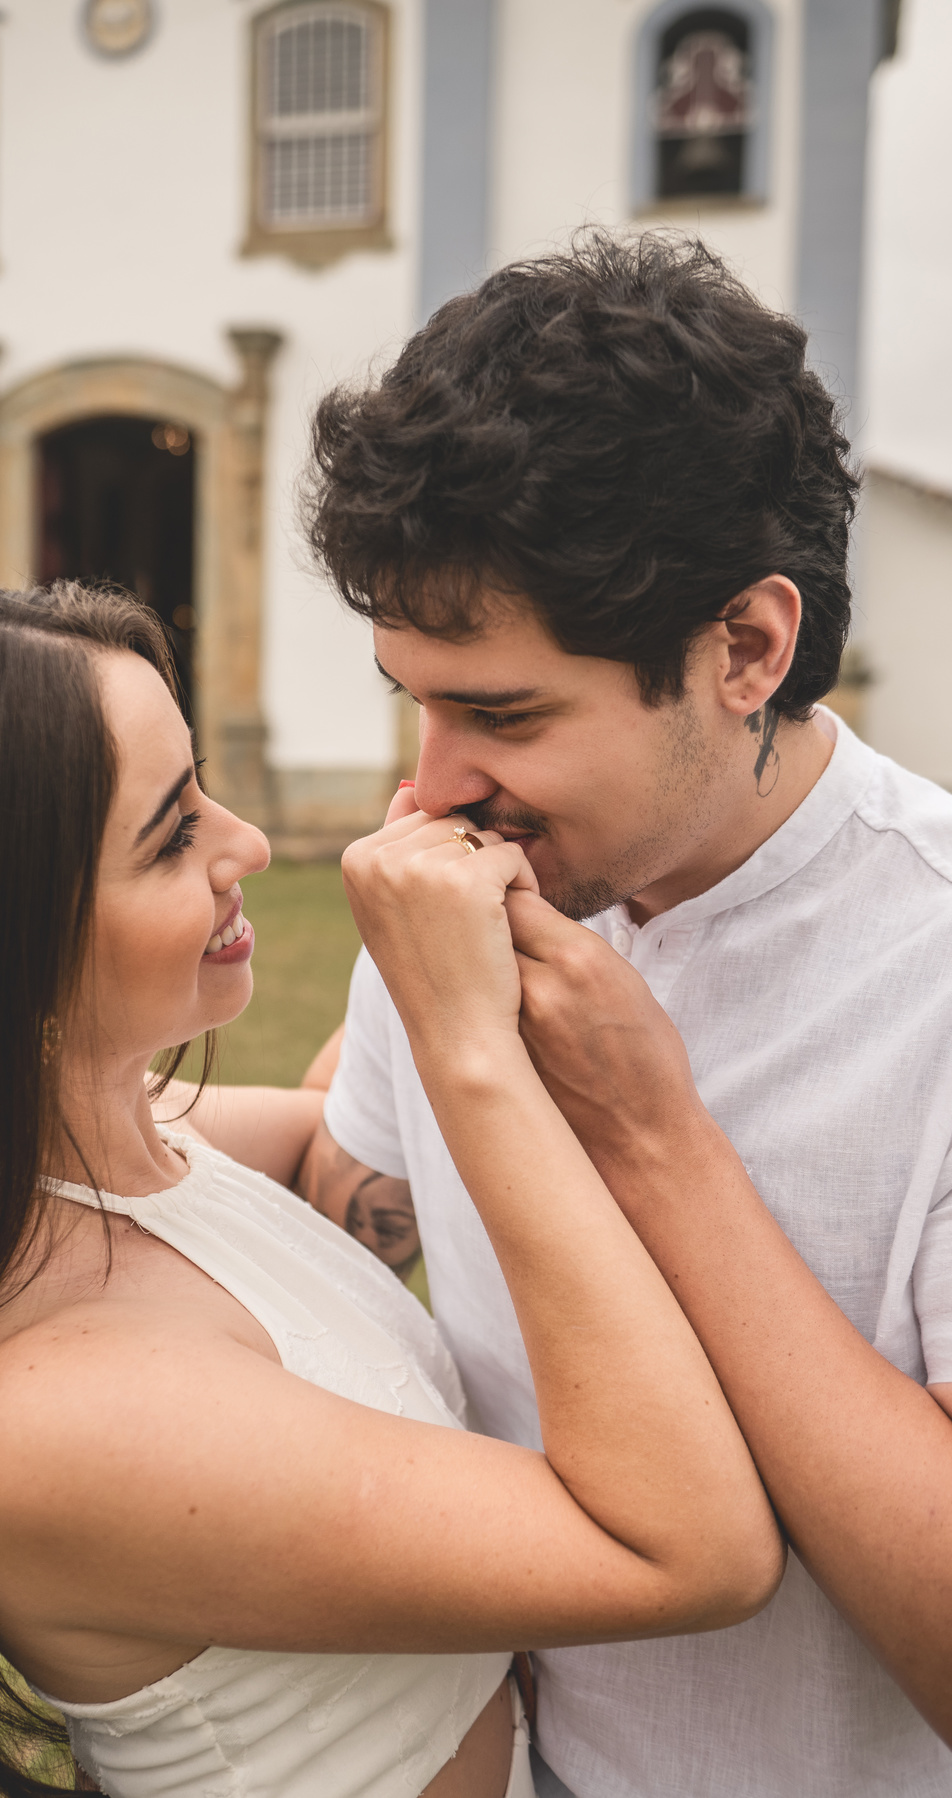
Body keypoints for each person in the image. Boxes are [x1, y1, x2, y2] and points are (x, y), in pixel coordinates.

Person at [0, 584, 780, 1798]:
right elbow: (689, 1551)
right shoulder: (54, 1417)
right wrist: (461, 1042)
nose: (244, 844)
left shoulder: (117, 1158)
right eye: (171, 833)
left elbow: (330, 1166)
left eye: (202, 789)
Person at [301, 230, 952, 1798]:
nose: (437, 780)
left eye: (506, 712)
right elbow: (357, 1208)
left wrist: (653, 1137)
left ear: (747, 647)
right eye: (418, 698)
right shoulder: (461, 881)